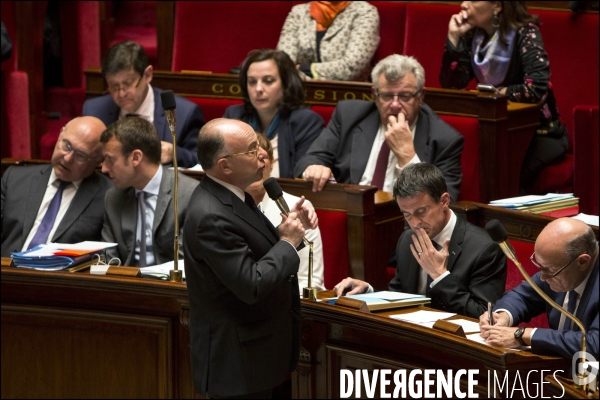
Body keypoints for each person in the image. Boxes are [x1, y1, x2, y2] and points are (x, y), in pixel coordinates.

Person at [183, 118, 318, 398]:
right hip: (237, 367)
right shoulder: (211, 214)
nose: (262, 154)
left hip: (255, 359)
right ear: (225, 165)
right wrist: (288, 242)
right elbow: (251, 284)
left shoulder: (232, 196)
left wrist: (288, 234)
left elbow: (260, 251)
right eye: (251, 150)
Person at [333, 163, 506, 319]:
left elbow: (484, 315)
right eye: (406, 215)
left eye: (421, 211)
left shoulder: (485, 248)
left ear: (444, 201)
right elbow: (400, 299)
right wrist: (367, 292)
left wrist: (440, 276)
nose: (414, 223)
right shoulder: (408, 239)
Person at [295, 54, 464, 201]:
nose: (396, 105)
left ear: (421, 96)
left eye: (405, 96)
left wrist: (408, 157)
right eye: (387, 96)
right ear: (375, 95)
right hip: (351, 215)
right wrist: (314, 168)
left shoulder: (444, 139)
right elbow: (309, 160)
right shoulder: (348, 116)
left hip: (406, 226)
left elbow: (444, 203)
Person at [440, 1, 568, 193]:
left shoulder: (526, 33)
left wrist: (498, 94)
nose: (463, 4)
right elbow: (452, 84)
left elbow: (536, 88)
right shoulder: (473, 36)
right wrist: (453, 39)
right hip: (494, 131)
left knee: (506, 179)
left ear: (497, 6)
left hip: (538, 133)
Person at [480, 218, 598, 359]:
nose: (542, 277)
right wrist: (503, 316)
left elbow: (594, 344)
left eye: (549, 270)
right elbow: (522, 296)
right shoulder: (562, 267)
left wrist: (523, 335)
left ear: (583, 261)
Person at [82, 40, 205, 168]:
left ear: (147, 75)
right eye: (113, 86)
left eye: (128, 84)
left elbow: (203, 160)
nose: (121, 94)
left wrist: (174, 153)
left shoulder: (184, 113)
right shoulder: (94, 111)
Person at [1, 117, 112, 257]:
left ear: (98, 161)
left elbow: (108, 256)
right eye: (67, 146)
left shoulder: (108, 196)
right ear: (61, 133)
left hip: (61, 277)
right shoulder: (15, 179)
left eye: (81, 155)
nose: (67, 158)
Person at [100, 117, 199, 267]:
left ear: (135, 158)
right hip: (123, 286)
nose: (104, 169)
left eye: (110, 159)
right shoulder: (113, 197)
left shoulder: (189, 194)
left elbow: (187, 263)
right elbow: (108, 257)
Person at [223, 49, 324, 178]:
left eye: (268, 81)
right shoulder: (234, 116)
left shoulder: (305, 122)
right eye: (252, 82)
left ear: (286, 83)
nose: (258, 89)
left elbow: (302, 176)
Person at [246, 133, 325, 291]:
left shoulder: (296, 207)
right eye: (250, 157)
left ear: (272, 163)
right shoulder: (225, 207)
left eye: (262, 158)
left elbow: (310, 281)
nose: (257, 165)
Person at [277, 1, 380, 81]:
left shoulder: (365, 12)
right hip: (299, 92)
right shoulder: (298, 13)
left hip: (347, 95)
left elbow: (351, 67)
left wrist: (306, 69)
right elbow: (283, 63)